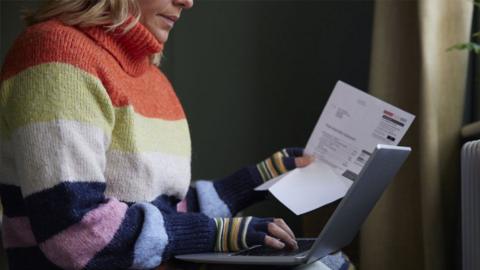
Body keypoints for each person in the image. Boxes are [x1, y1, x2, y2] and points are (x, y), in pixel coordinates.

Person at [0, 0, 354, 269]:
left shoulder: (152, 79)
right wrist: (219, 234)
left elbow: (163, 211)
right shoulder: (55, 55)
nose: (188, 1)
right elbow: (77, 233)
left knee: (329, 261)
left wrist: (260, 177)